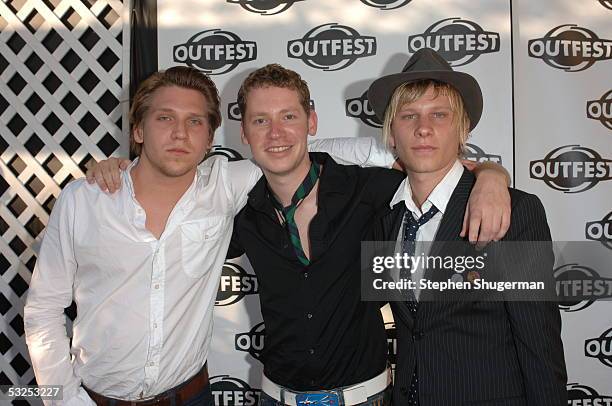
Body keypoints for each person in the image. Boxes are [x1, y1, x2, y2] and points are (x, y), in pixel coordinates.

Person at [85, 65, 512, 406]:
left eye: (288, 117)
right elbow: (165, 195)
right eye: (261, 121)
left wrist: (492, 176)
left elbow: (438, 167)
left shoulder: (368, 190)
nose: (276, 133)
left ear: (311, 122)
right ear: (244, 133)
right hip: (277, 397)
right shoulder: (234, 208)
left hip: (368, 397)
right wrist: (124, 171)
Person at [24, 66, 262, 405]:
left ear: (209, 139)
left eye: (194, 121)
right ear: (137, 129)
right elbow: (44, 308)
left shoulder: (223, 187)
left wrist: (369, 150)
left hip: (192, 396)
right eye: (165, 118)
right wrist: (64, 400)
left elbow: (302, 155)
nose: (180, 133)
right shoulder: (84, 199)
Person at [365, 48, 567, 405]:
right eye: (408, 115)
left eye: (439, 115)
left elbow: (539, 343)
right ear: (391, 133)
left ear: (463, 129)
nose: (423, 128)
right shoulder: (384, 215)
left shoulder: (516, 212)